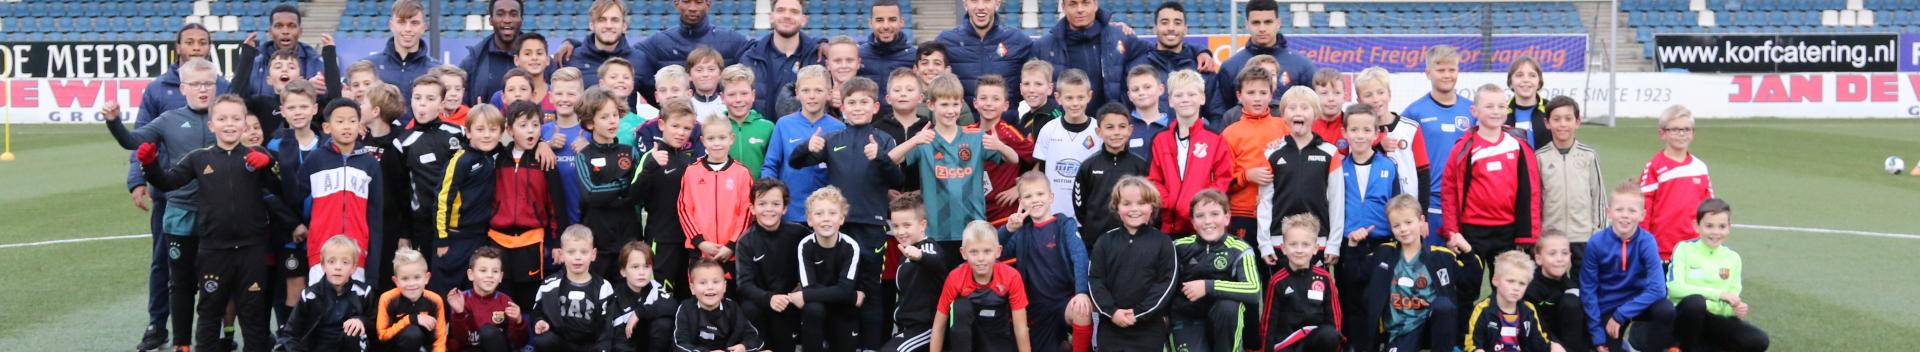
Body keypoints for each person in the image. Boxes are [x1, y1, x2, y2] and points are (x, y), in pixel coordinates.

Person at [134, 94, 280, 352]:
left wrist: (270, 164)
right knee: (210, 311)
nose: (230, 124)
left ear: (245, 123)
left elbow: (283, 189)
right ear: (211, 125)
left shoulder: (257, 156)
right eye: (222, 118)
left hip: (252, 249)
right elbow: (168, 182)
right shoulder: (199, 159)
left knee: (254, 315)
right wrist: (150, 165)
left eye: (236, 118)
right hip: (213, 250)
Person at [107, 54, 223, 352]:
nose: (203, 89)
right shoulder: (169, 120)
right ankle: (181, 343)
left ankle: (214, 340)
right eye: (195, 84)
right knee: (181, 284)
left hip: (221, 214)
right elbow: (132, 141)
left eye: (208, 83)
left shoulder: (227, 117)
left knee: (218, 283)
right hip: (180, 213)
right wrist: (114, 122)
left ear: (216, 85)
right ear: (182, 88)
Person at [887, 74, 1021, 256]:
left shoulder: (975, 136)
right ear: (931, 105)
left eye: (955, 104)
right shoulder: (925, 140)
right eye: (944, 104)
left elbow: (1014, 159)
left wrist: (999, 146)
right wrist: (914, 141)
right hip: (936, 231)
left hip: (973, 228)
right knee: (940, 282)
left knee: (971, 283)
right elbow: (889, 160)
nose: (951, 111)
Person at [1441, 84, 1542, 304]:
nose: (1496, 111)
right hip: (1472, 233)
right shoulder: (1464, 148)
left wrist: (1529, 234)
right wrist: (1452, 231)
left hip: (1507, 231)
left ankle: (1500, 336)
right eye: (1489, 106)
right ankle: (1464, 336)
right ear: (1474, 111)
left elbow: (1532, 191)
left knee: (1506, 290)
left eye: (1500, 106)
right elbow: (1448, 191)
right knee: (1467, 288)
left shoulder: (1518, 145)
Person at [289, 98, 384, 293]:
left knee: (353, 313)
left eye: (352, 121)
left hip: (357, 253)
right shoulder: (315, 160)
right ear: (326, 127)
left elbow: (375, 216)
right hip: (321, 252)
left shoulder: (370, 164)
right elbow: (294, 199)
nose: (346, 127)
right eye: (339, 121)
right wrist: (297, 225)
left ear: (360, 126)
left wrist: (372, 263)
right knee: (321, 311)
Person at [1346, 195, 1463, 351]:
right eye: (1396, 225)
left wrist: (1467, 251)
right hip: (1402, 329)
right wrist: (1353, 246)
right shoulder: (1383, 253)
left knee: (1444, 306)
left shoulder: (1440, 256)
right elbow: (1355, 274)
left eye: (1408, 222)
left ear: (1421, 220)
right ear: (1391, 228)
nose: (1403, 229)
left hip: (1431, 324)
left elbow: (1470, 281)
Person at [999, 172, 1092, 352]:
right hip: (1036, 309)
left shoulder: (1064, 225)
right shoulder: (1021, 232)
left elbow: (1080, 256)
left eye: (1040, 194)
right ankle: (1064, 345)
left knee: (1082, 310)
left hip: (1064, 302)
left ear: (1051, 197)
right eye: (1028, 196)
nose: (1035, 200)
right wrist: (1008, 229)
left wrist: (1081, 292)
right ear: (1021, 202)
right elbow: (995, 251)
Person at [1582, 181, 1676, 352]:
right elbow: (1588, 290)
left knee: (1665, 309)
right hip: (1608, 306)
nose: (1625, 215)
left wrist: (1622, 314)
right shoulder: (1595, 243)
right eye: (1619, 210)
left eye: (1632, 211)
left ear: (1642, 215)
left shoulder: (1647, 242)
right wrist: (1597, 333)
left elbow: (1658, 289)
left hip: (1638, 304)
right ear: (1609, 212)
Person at [1257, 86, 1344, 271]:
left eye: (1305, 108)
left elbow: (1337, 201)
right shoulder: (1272, 152)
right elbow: (1265, 201)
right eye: (1292, 108)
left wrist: (1334, 243)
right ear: (1283, 115)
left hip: (1317, 240)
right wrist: (1264, 243)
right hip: (1279, 240)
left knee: (1315, 295)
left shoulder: (1330, 152)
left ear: (1315, 114)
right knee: (1282, 294)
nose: (1298, 112)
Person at [1086, 176, 1178, 351]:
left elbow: (1166, 283)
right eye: (1127, 204)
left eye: (1142, 203)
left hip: (1149, 328)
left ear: (1152, 206)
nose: (1134, 209)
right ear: (1116, 207)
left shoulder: (1163, 242)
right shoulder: (1105, 241)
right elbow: (1095, 280)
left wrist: (1139, 313)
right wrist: (1112, 312)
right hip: (1112, 327)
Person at [489, 102, 566, 308]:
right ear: (509, 130)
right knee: (501, 298)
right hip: (497, 240)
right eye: (523, 125)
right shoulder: (497, 158)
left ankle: (529, 339)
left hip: (531, 241)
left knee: (528, 299)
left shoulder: (544, 159)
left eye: (535, 125)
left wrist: (558, 242)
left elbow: (556, 203)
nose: (530, 130)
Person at [1669, 198, 1770, 352]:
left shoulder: (1733, 258)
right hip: (1685, 320)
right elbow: (1675, 289)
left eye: (1721, 226)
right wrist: (1719, 294)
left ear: (1729, 228)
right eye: (1709, 226)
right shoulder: (1683, 249)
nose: (1715, 232)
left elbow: (1730, 303)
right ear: (1697, 226)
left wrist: (1736, 309)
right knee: (1695, 303)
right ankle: (1680, 348)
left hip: (1715, 320)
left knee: (1759, 340)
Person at [1168, 190, 1261, 352]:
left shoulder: (1240, 249)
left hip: (1222, 319)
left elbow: (1253, 290)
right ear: (1193, 221)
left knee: (1228, 307)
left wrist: (1208, 286)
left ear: (1227, 218)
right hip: (1187, 317)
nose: (1207, 221)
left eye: (1214, 214)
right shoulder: (1178, 247)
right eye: (1200, 216)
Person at [428, 105, 507, 294]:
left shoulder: (497, 155)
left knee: (472, 293)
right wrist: (442, 240)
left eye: (493, 129)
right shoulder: (461, 160)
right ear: (468, 132)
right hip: (454, 238)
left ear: (501, 133)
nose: (487, 135)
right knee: (446, 293)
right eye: (480, 130)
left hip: (481, 236)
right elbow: (442, 200)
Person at [1147, 69, 1233, 235]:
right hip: (1169, 225)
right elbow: (1154, 179)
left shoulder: (1215, 139)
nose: (1185, 100)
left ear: (1202, 98)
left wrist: (1200, 207)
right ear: (1170, 101)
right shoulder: (1160, 139)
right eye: (1178, 95)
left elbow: (1223, 179)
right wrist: (1170, 203)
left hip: (1203, 225)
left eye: (1191, 94)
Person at [632, 100, 704, 294]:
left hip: (688, 241)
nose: (681, 132)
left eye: (687, 128)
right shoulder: (651, 156)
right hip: (661, 240)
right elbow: (633, 197)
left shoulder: (688, 160)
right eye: (675, 126)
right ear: (662, 125)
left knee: (685, 294)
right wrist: (650, 167)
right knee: (659, 295)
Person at [932, 221, 1034, 352]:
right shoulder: (955, 278)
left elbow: (1020, 327)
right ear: (963, 253)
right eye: (974, 252)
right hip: (967, 342)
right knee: (960, 307)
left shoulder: (1011, 277)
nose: (981, 258)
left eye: (987, 251)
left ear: (998, 251)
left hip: (998, 339)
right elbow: (939, 326)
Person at [1403, 45, 1473, 235]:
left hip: (1465, 201)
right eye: (1440, 70)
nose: (1447, 75)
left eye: (1452, 69)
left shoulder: (1472, 110)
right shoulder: (1414, 112)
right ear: (1427, 73)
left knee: (1463, 262)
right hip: (1430, 201)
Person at [572, 87, 643, 276]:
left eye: (615, 115)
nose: (612, 121)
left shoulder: (630, 151)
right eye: (604, 117)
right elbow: (591, 194)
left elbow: (637, 191)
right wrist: (621, 184)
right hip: (598, 239)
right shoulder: (584, 156)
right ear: (589, 124)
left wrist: (615, 192)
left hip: (628, 235)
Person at [398, 75, 468, 265]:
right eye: (417, 98)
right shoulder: (402, 142)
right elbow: (402, 192)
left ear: (442, 103)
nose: (422, 104)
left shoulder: (458, 134)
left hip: (456, 224)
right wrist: (404, 233)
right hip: (422, 224)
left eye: (430, 99)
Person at [764, 65, 846, 222]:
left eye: (818, 91)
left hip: (825, 216)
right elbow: (770, 165)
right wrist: (771, 197)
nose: (812, 96)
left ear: (829, 93)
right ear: (797, 93)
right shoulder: (784, 124)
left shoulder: (839, 128)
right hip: (790, 213)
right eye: (806, 90)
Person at [735, 179, 809, 352]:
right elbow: (744, 285)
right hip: (762, 302)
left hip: (789, 301)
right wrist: (769, 298)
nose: (769, 209)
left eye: (775, 204)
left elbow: (814, 265)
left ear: (784, 208)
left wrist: (801, 290)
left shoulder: (799, 234)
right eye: (762, 203)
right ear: (752, 208)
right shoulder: (746, 241)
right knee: (749, 307)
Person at [1211, 0, 1316, 120]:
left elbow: (1313, 109)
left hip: (1288, 136)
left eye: (1268, 22)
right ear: (1247, 24)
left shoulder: (1302, 65)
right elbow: (1220, 113)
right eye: (1256, 22)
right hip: (1244, 137)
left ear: (1278, 23)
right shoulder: (1230, 66)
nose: (1262, 28)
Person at [1353, 67, 1432, 224]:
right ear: (1359, 101)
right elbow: (1354, 163)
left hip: (1408, 216)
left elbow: (1423, 174)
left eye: (1380, 92)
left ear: (1389, 94)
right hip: (1373, 215)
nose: (1376, 99)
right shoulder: (1357, 131)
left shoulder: (1411, 128)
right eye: (1368, 95)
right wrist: (1377, 146)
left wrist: (1423, 217)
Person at [679, 114, 754, 278]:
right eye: (711, 138)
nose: (717, 143)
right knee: (703, 295)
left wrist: (732, 244)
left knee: (732, 300)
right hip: (700, 251)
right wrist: (700, 242)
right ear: (703, 141)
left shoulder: (742, 173)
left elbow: (747, 212)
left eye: (722, 137)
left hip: (732, 252)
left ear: (731, 138)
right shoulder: (692, 172)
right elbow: (684, 209)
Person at [1219, 66, 1288, 244]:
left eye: (1263, 92)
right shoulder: (1230, 133)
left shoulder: (1283, 126)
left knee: (1275, 268)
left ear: (1271, 95)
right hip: (1243, 213)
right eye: (1251, 92)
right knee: (1246, 265)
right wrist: (1247, 175)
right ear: (1239, 96)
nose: (1257, 98)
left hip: (1278, 210)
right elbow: (1222, 181)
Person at [881, 194, 958, 352]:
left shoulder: (927, 247)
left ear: (922, 225)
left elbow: (936, 260)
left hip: (925, 329)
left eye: (907, 225)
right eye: (896, 226)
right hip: (905, 329)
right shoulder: (905, 252)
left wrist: (920, 256)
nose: (901, 231)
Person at [1032, 0, 1145, 106]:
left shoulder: (1121, 37)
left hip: (1110, 123)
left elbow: (1154, 54)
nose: (1080, 9)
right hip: (1063, 124)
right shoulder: (1043, 47)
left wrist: (1123, 110)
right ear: (1063, 7)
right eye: (1073, 4)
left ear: (1095, 4)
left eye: (1085, 3)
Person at [634, 0, 752, 98]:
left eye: (698, 2)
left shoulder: (733, 40)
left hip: (720, 121)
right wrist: (664, 103)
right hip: (675, 122)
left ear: (708, 4)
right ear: (676, 3)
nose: (692, 8)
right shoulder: (657, 43)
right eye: (686, 1)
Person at [795, 187, 865, 352]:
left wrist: (803, 295)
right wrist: (849, 295)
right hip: (818, 307)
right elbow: (810, 288)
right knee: (813, 309)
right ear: (809, 219)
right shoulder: (805, 245)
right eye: (819, 214)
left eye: (832, 213)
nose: (826, 219)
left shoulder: (851, 246)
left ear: (841, 218)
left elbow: (845, 289)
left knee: (845, 311)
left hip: (843, 308)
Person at [1640, 105, 1713, 261]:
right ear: (1662, 134)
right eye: (1675, 130)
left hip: (1694, 248)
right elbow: (1644, 209)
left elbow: (1710, 208)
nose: (1681, 134)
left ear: (1693, 133)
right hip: (1662, 251)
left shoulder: (1700, 168)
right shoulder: (1654, 166)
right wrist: (1643, 244)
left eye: (1686, 129)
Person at [532, 225, 622, 352]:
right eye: (571, 252)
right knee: (543, 341)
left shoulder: (603, 288)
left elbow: (607, 327)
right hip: (562, 343)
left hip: (591, 345)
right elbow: (537, 312)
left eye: (584, 252)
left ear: (593, 254)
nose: (577, 257)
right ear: (562, 254)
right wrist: (539, 321)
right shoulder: (549, 285)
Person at [1536, 96, 1604, 264]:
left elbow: (1598, 196)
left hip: (1583, 235)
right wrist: (1537, 233)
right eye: (1556, 119)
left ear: (1577, 122)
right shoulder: (1540, 157)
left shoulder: (1589, 155)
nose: (1563, 124)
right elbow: (1536, 200)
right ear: (1547, 123)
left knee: (1582, 284)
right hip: (1550, 236)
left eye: (1568, 118)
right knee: (1550, 285)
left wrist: (1598, 233)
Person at [936, 0, 1034, 113]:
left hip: (1006, 126)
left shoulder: (1017, 39)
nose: (980, 7)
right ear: (965, 3)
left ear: (997, 3)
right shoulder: (946, 41)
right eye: (974, 1)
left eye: (987, 0)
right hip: (961, 128)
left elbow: (1038, 81)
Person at [1265, 213, 1343, 352]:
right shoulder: (1277, 281)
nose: (1299, 250)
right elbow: (1268, 322)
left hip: (1314, 340)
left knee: (1330, 334)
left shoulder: (1324, 278)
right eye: (1293, 244)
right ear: (1283, 248)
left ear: (1315, 248)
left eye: (1305, 244)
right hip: (1287, 342)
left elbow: (1334, 316)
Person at [1073, 103, 1150, 244]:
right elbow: (1080, 205)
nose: (1116, 132)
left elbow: (1149, 201)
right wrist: (1093, 226)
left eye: (1122, 127)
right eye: (1109, 127)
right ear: (1098, 131)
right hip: (1097, 240)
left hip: (1134, 239)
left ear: (1130, 130)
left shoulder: (1140, 165)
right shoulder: (1088, 165)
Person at [284, 236, 374, 352]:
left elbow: (377, 325)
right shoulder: (309, 296)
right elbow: (290, 334)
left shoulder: (364, 293)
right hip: (318, 348)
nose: (338, 267)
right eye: (331, 261)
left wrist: (361, 321)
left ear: (353, 268)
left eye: (345, 262)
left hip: (352, 346)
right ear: (323, 266)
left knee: (352, 332)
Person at [1032, 69, 1101, 219]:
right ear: (1058, 98)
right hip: (1053, 214)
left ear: (1089, 96)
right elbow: (1040, 170)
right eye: (1069, 98)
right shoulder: (1048, 130)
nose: (1075, 103)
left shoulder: (1098, 131)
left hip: (1088, 215)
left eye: (1080, 97)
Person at [1126, 2, 1219, 110]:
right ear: (1155, 28)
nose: (1171, 28)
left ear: (1185, 29)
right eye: (1164, 22)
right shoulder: (1135, 68)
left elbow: (1216, 113)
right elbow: (1125, 112)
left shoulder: (1201, 67)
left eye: (1177, 23)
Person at [1465, 251, 1558, 352]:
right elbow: (1472, 344)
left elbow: (1539, 343)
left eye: (1522, 283)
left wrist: (1552, 346)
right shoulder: (1482, 310)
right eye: (1510, 281)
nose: (1516, 288)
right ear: (1495, 280)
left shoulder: (1528, 310)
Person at [746, 0, 823, 117]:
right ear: (771, 17)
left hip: (807, 135)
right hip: (762, 135)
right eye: (781, 10)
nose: (787, 16)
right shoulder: (750, 59)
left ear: (804, 20)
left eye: (794, 11)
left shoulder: (817, 58)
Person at [445, 246, 528, 352]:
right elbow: (459, 342)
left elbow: (519, 343)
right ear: (471, 275)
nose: (490, 275)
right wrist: (459, 314)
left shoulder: (505, 301)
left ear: (501, 277)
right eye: (483, 270)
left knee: (488, 332)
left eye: (495, 271)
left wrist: (518, 322)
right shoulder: (460, 300)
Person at [674, 259, 767, 352]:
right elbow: (679, 344)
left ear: (724, 286)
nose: (710, 287)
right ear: (692, 288)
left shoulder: (732, 307)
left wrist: (744, 347)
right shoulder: (686, 308)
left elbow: (754, 338)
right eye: (703, 283)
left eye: (716, 282)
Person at [1525, 230, 1590, 352]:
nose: (1559, 259)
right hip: (1540, 340)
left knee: (1572, 302)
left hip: (1566, 343)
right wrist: (1552, 343)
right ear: (1538, 259)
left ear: (1570, 256)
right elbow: (1533, 326)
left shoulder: (1571, 287)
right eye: (1552, 254)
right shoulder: (1530, 288)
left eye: (1564, 253)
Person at [559, 0, 646, 89]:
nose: (608, 25)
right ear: (592, 25)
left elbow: (656, 97)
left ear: (624, 26)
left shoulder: (639, 59)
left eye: (614, 20)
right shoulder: (570, 57)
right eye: (602, 20)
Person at [541, 68, 590, 228]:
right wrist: (545, 145)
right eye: (559, 93)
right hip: (550, 225)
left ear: (582, 97)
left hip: (584, 221)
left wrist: (590, 151)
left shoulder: (591, 133)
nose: (564, 99)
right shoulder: (541, 132)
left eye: (571, 94)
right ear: (551, 96)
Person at [375, 247, 449, 351]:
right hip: (395, 347)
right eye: (405, 278)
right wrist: (411, 319)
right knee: (413, 334)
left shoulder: (435, 300)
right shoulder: (387, 298)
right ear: (396, 281)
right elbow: (382, 336)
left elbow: (439, 339)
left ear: (426, 278)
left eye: (417, 277)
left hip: (425, 347)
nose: (411, 284)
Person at [244, 4, 324, 98]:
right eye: (279, 26)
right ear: (270, 31)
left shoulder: (316, 62)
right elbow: (238, 98)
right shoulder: (254, 64)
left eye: (291, 26)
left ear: (300, 31)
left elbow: (330, 100)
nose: (285, 31)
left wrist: (311, 90)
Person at [612, 242, 680, 352]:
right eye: (635, 267)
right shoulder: (615, 297)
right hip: (627, 347)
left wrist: (640, 313)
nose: (642, 272)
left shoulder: (655, 288)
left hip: (651, 346)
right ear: (623, 271)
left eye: (646, 266)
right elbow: (617, 340)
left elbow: (672, 306)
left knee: (664, 323)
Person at [460, 0, 529, 104]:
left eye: (513, 14)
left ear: (521, 20)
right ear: (490, 20)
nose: (507, 20)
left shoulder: (538, 60)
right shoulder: (472, 61)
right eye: (500, 14)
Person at [370, 0, 438, 99]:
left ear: (423, 28)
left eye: (414, 23)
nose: (407, 29)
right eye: (401, 22)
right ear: (391, 26)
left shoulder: (436, 70)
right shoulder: (371, 66)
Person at [720, 64, 776, 178]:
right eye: (731, 94)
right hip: (725, 193)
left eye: (744, 93)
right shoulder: (715, 127)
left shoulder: (768, 128)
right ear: (722, 97)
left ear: (753, 95)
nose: (738, 99)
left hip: (758, 193)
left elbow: (773, 165)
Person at [860, 0, 917, 112]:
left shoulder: (914, 57)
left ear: (901, 22)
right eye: (879, 20)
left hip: (902, 126)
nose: (886, 26)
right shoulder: (859, 55)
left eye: (892, 19)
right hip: (867, 125)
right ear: (870, 23)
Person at [1123, 66, 1170, 161]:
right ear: (1129, 96)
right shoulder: (1123, 126)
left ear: (1161, 89)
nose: (1141, 92)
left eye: (1147, 87)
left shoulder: (1173, 125)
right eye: (1135, 89)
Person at [1508, 57, 1550, 149]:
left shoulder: (1551, 109)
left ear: (1539, 82)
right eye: (1519, 75)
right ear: (1510, 82)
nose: (1526, 80)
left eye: (1532, 75)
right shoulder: (1501, 110)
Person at [1016, 59, 1061, 138]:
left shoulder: (1055, 119)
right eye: (1026, 84)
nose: (1031, 90)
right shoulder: (1024, 118)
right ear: (1020, 88)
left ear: (1049, 89)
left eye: (1038, 84)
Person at [685, 46, 731, 120]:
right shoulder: (685, 107)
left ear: (720, 74)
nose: (705, 74)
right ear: (689, 75)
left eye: (711, 69)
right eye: (699, 70)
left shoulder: (729, 106)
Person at [1309, 69, 1346, 144]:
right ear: (1314, 96)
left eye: (1337, 93)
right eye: (1324, 93)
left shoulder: (1351, 125)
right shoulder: (1306, 125)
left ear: (1344, 95)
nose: (1331, 98)